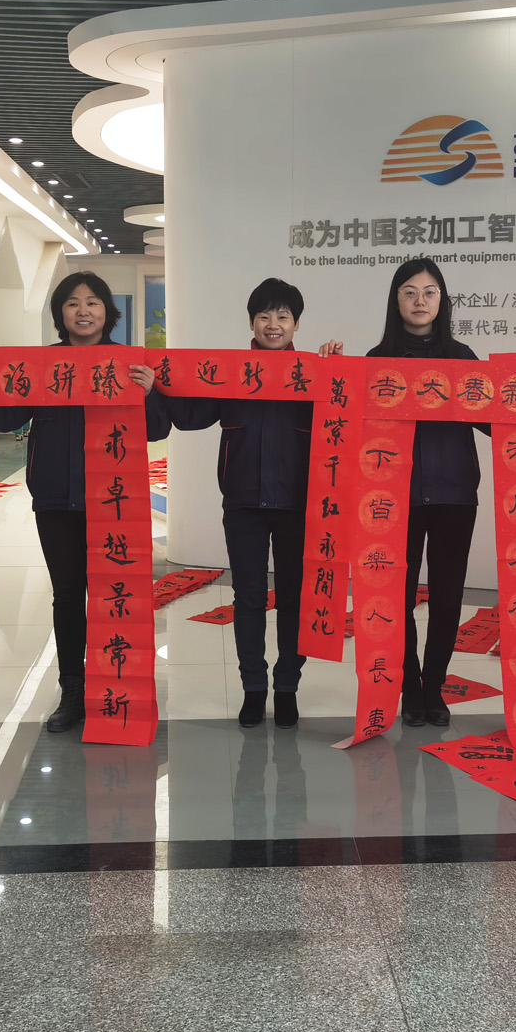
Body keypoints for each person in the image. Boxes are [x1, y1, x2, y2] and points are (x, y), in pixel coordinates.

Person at [0, 272, 169, 734]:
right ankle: (72, 689)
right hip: (56, 497)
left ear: (107, 312)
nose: (83, 311)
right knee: (68, 594)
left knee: (113, 593)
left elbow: (158, 429)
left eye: (93, 302)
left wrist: (150, 391)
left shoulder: (129, 363)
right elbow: (10, 416)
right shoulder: (44, 364)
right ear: (60, 314)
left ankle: (114, 686)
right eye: (73, 303)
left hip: (114, 500)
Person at [167, 278, 314, 729]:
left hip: (298, 505)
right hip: (243, 503)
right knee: (248, 597)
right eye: (264, 316)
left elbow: (343, 416)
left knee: (294, 599)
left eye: (283, 316)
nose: (273, 324)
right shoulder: (231, 372)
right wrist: (158, 385)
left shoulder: (313, 372)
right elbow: (191, 417)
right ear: (251, 323)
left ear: (296, 324)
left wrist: (334, 368)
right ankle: (253, 688)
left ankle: (286, 688)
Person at [367, 258, 485, 729]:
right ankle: (410, 686)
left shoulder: (462, 357)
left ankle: (434, 685)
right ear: (396, 300)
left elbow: (493, 419)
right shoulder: (376, 361)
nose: (420, 301)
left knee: (448, 596)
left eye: (429, 292)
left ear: (442, 300)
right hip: (393, 497)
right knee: (396, 597)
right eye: (410, 292)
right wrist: (333, 372)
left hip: (455, 494)